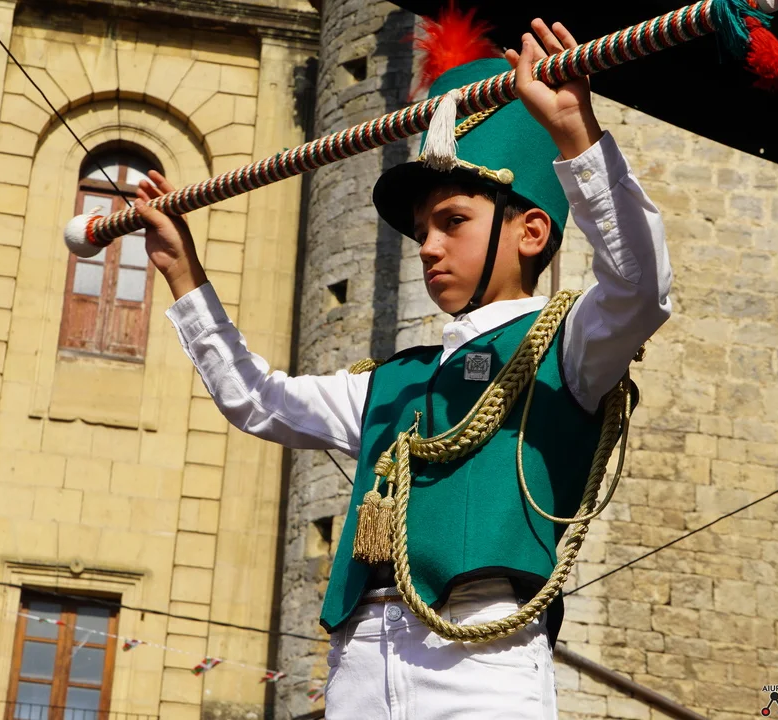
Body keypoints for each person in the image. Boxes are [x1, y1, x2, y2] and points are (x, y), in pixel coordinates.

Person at [129, 14, 671, 720]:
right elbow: (255, 398)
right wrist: (183, 273)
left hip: (483, 654)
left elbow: (640, 288)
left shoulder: (569, 347)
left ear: (532, 231)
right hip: (360, 657)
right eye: (421, 231)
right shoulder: (388, 383)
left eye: (453, 222)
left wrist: (576, 133)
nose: (427, 248)